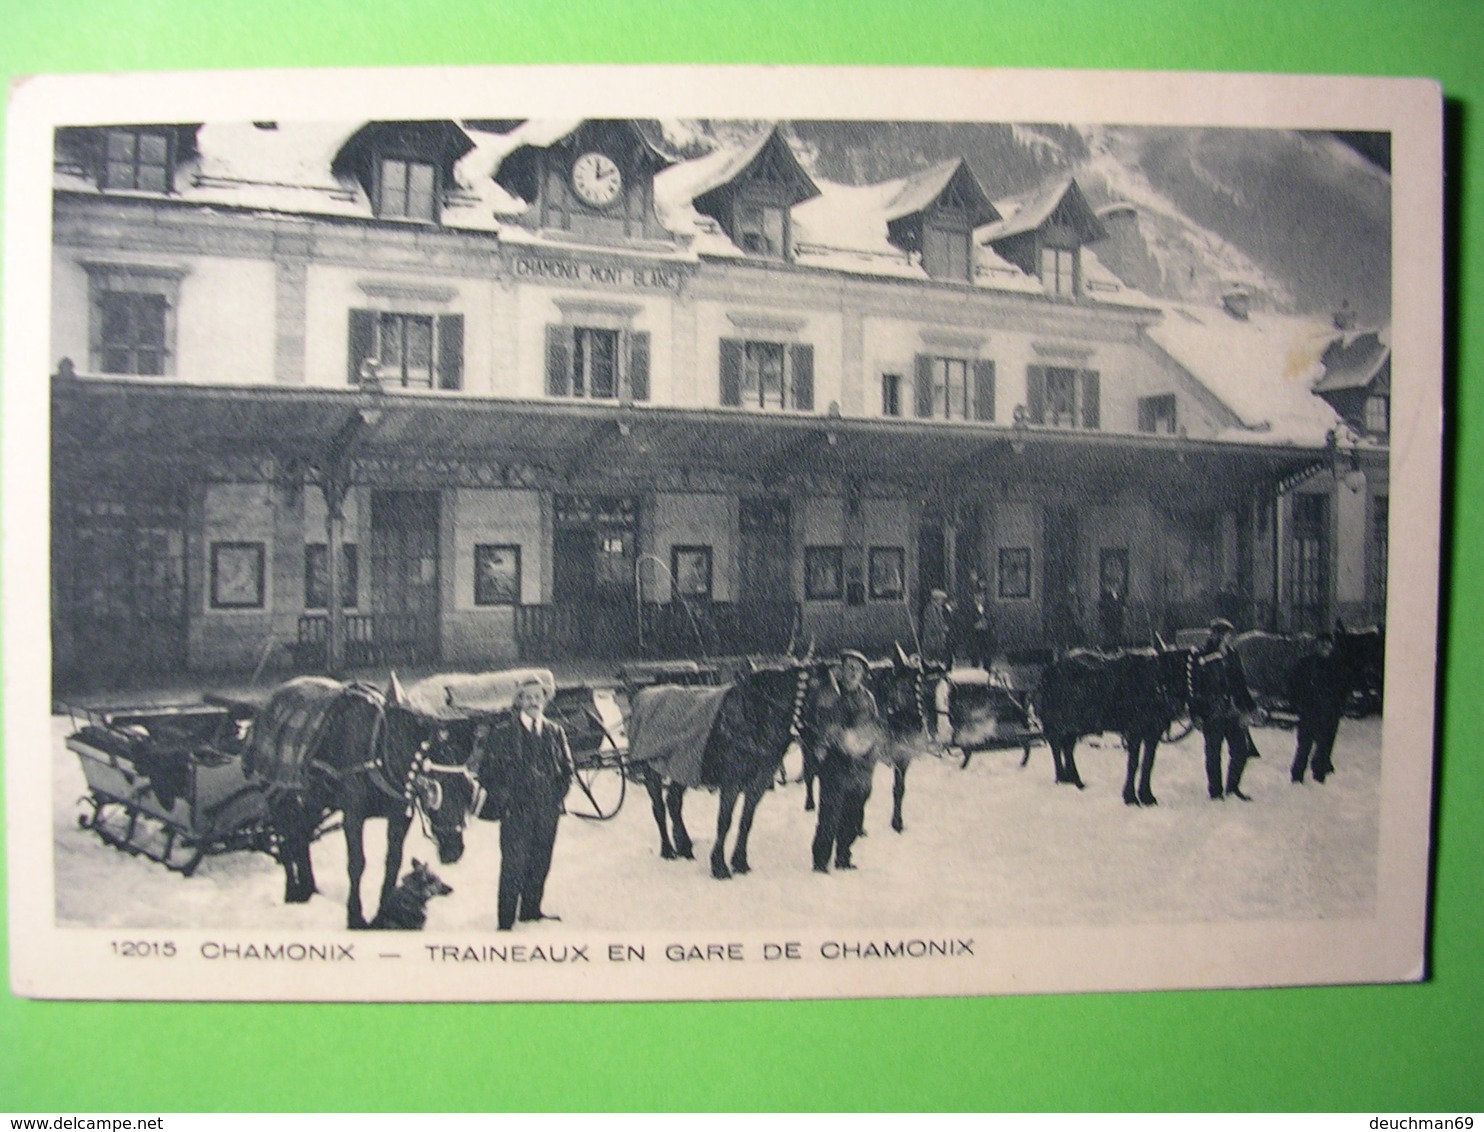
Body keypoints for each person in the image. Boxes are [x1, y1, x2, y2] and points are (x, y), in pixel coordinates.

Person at [478, 677, 574, 929]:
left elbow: (567, 770)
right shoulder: (502, 734)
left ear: (545, 700)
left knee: (540, 862)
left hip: (546, 812)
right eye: (528, 697)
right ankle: (506, 922)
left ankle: (531, 911)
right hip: (515, 814)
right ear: (519, 701)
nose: (533, 702)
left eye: (538, 697)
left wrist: (555, 799)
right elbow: (486, 774)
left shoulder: (555, 732)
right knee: (513, 865)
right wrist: (506, 800)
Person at [811, 649, 881, 874]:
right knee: (830, 815)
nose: (851, 672)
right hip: (835, 763)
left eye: (856, 669)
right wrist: (829, 740)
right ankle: (821, 862)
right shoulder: (829, 695)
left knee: (853, 815)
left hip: (860, 765)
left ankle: (844, 855)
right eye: (847, 667)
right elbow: (821, 725)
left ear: (863, 674)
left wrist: (871, 753)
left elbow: (875, 727)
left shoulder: (867, 699)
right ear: (840, 670)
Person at [1192, 618, 1258, 801]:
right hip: (1212, 712)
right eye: (1226, 635)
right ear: (1216, 635)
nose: (1229, 639)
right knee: (1213, 754)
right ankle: (1215, 792)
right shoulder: (1202, 655)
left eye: (1229, 635)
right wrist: (1196, 714)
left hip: (1232, 711)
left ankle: (1232, 788)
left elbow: (1240, 684)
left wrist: (1251, 708)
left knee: (1241, 751)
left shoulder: (1232, 654)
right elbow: (1195, 688)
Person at [1287, 632, 1348, 784]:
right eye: (1322, 644)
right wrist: (1297, 704)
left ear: (1332, 646)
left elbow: (1344, 688)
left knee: (1325, 746)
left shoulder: (1337, 666)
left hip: (1330, 714)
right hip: (1309, 712)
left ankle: (1319, 776)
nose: (1325, 647)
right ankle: (1297, 777)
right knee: (1304, 746)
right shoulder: (1305, 664)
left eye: (1328, 644)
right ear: (1316, 645)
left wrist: (1339, 707)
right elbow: (1292, 685)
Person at [958, 572, 997, 670]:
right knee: (975, 659)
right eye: (978, 596)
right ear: (974, 597)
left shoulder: (988, 608)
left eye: (982, 596)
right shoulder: (970, 609)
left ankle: (986, 672)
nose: (980, 598)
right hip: (974, 637)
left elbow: (993, 620)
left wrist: (987, 624)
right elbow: (965, 622)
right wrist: (974, 625)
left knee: (987, 659)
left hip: (986, 637)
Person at [921, 587, 953, 667]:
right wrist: (943, 628)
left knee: (937, 657)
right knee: (932, 658)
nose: (942, 602)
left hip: (937, 638)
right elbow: (933, 624)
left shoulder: (938, 609)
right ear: (936, 599)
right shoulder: (931, 609)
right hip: (932, 638)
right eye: (941, 600)